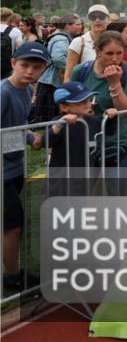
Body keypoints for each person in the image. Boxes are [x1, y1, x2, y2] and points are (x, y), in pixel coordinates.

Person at [2, 42, 49, 293]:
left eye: (36, 67)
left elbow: (18, 124)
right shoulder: (4, 93)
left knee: (10, 224)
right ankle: (12, 277)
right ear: (13, 63)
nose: (29, 71)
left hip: (15, 167)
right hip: (3, 173)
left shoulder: (26, 89)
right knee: (13, 226)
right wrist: (26, 138)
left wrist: (32, 138)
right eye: (24, 65)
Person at [70, 30, 127, 195]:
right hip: (86, 142)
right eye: (109, 53)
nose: (114, 59)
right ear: (97, 50)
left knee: (116, 194)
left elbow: (126, 110)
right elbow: (69, 103)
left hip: (116, 142)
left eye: (119, 53)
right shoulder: (81, 71)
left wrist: (114, 83)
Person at [46, 82, 112, 197]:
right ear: (64, 107)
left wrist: (110, 118)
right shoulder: (59, 122)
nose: (87, 103)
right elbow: (45, 141)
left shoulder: (93, 121)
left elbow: (109, 131)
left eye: (88, 99)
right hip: (61, 179)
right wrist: (60, 124)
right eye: (81, 101)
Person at [33, 13, 82, 121]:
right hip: (52, 83)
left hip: (51, 83)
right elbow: (58, 59)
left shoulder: (62, 37)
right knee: (50, 119)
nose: (80, 27)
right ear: (67, 26)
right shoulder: (61, 39)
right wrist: (77, 68)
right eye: (77, 24)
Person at [65, 4, 111, 81]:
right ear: (88, 21)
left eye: (102, 17)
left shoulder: (114, 41)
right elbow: (68, 77)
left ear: (108, 20)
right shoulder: (78, 42)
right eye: (93, 17)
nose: (97, 20)